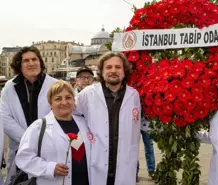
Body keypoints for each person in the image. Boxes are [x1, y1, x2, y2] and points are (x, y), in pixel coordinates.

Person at [75, 52, 141, 185]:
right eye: (109, 67)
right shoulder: (88, 94)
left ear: (124, 71)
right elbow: (73, 116)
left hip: (124, 165)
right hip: (96, 163)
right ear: (102, 71)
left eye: (118, 67)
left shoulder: (133, 95)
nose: (113, 71)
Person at [15, 80, 92, 185]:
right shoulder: (38, 127)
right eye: (58, 99)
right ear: (50, 104)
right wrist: (50, 168)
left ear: (74, 101)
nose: (64, 102)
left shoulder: (84, 123)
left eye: (68, 97)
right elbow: (23, 158)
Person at [0, 46, 57, 182]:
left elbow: (60, 115)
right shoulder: (9, 87)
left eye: (34, 59)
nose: (31, 63)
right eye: (26, 60)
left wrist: (41, 142)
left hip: (48, 147)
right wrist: (28, 140)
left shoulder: (55, 85)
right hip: (19, 147)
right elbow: (5, 117)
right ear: (19, 66)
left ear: (40, 62)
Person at [136, 117, 155, 182]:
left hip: (147, 122)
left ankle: (151, 171)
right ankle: (134, 172)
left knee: (149, 147)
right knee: (134, 149)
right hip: (134, 122)